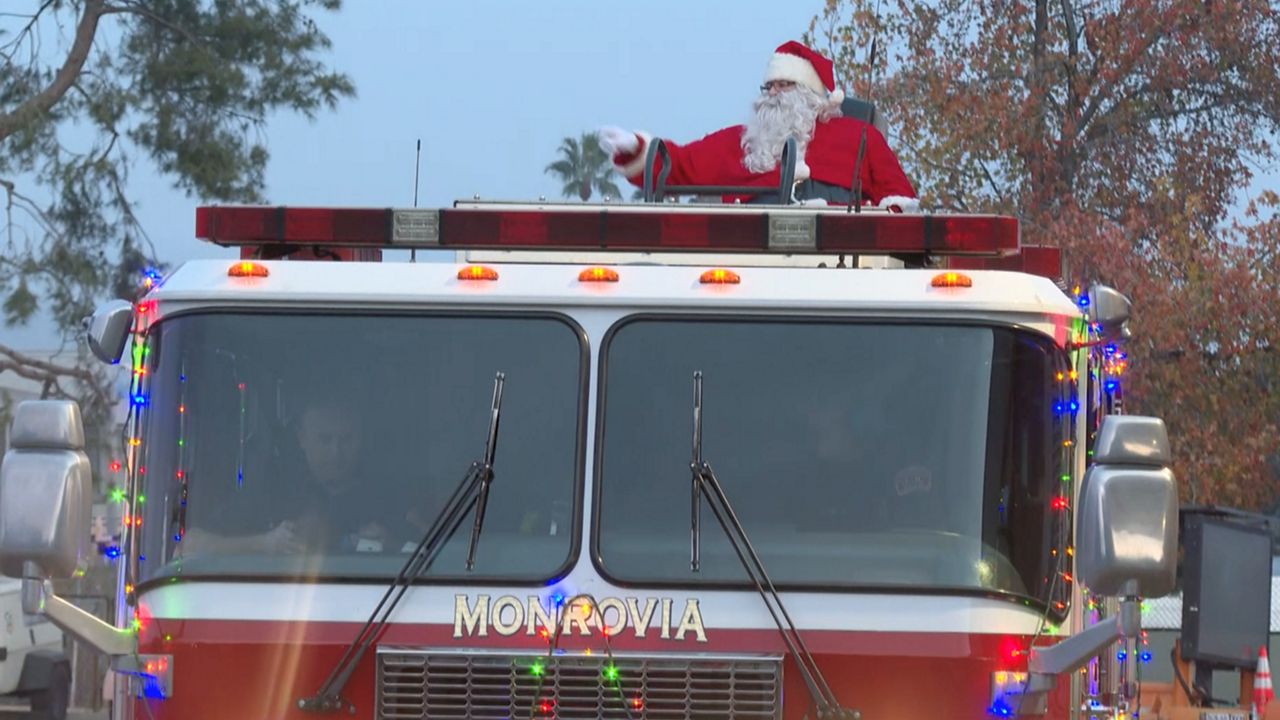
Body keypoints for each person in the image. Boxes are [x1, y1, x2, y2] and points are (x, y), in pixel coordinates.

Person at [598, 41, 919, 210]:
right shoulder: (740, 143)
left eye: (785, 84)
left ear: (810, 94)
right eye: (770, 86)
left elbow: (899, 200)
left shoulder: (858, 136)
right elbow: (678, 166)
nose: (775, 94)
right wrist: (637, 149)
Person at [182, 394, 399, 555]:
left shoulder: (385, 497)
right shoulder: (273, 492)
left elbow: (427, 553)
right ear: (301, 438)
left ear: (362, 437)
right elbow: (188, 547)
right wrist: (266, 544)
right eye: (325, 440)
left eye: (347, 439)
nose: (336, 452)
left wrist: (392, 547)